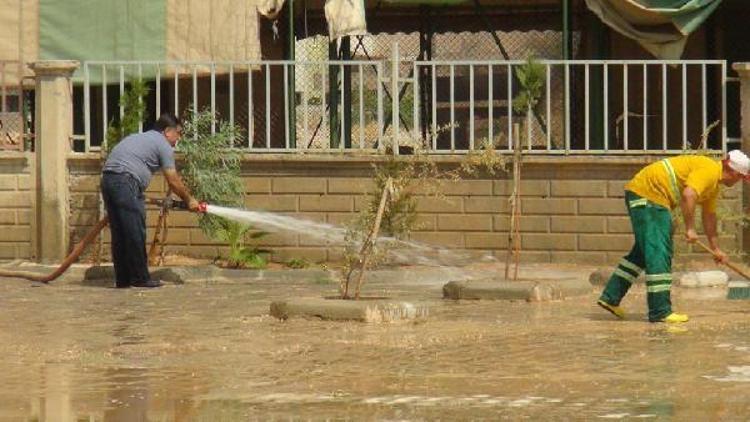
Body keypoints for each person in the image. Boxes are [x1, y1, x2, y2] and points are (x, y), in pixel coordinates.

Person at [597, 150, 750, 323]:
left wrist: (716, 249)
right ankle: (660, 311)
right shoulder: (708, 170)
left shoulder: (712, 185)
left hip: (648, 195)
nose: (738, 182)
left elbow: (709, 217)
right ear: (734, 172)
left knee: (641, 253)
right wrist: (690, 228)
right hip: (650, 196)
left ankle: (611, 297)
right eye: (740, 178)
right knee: (659, 252)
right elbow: (688, 194)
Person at [101, 113, 200, 288]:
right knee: (134, 232)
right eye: (178, 133)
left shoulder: (139, 137)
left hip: (108, 180)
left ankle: (123, 280)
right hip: (126, 181)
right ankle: (140, 278)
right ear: (167, 131)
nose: (179, 138)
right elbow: (173, 180)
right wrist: (190, 200)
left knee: (120, 234)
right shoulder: (163, 145)